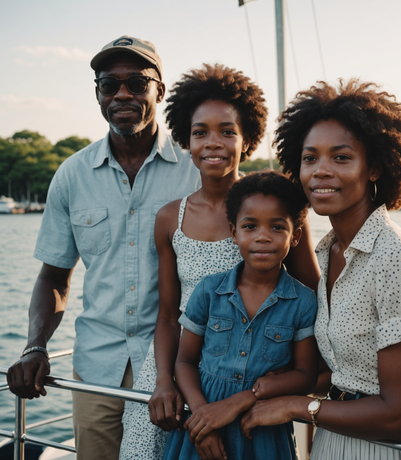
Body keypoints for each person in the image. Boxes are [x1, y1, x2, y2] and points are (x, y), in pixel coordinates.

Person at [6, 35, 200, 460]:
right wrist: (35, 345)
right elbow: (54, 277)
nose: (122, 94)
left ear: (160, 91)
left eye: (137, 82)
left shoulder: (196, 170)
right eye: (109, 84)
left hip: (178, 370)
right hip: (95, 370)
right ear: (97, 94)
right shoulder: (72, 175)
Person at [239, 79, 401, 459]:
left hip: (393, 448)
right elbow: (344, 368)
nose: (320, 171)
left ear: (374, 168)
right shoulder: (332, 250)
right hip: (336, 438)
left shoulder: (394, 257)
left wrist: (294, 407)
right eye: (310, 158)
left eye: (340, 157)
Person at [119, 63, 320, 459]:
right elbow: (166, 316)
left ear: (246, 139)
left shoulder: (276, 210)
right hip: (180, 372)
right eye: (200, 132)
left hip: (249, 381)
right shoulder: (169, 218)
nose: (213, 142)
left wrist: (288, 382)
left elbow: (311, 297)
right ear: (185, 140)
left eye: (227, 131)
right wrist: (163, 380)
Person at [162, 171, 318, 460]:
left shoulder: (304, 302)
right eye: (250, 226)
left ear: (295, 235)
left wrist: (248, 397)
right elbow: (184, 361)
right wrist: (202, 418)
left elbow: (306, 375)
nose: (262, 236)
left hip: (262, 432)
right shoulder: (209, 290)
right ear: (234, 233)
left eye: (277, 227)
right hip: (201, 428)